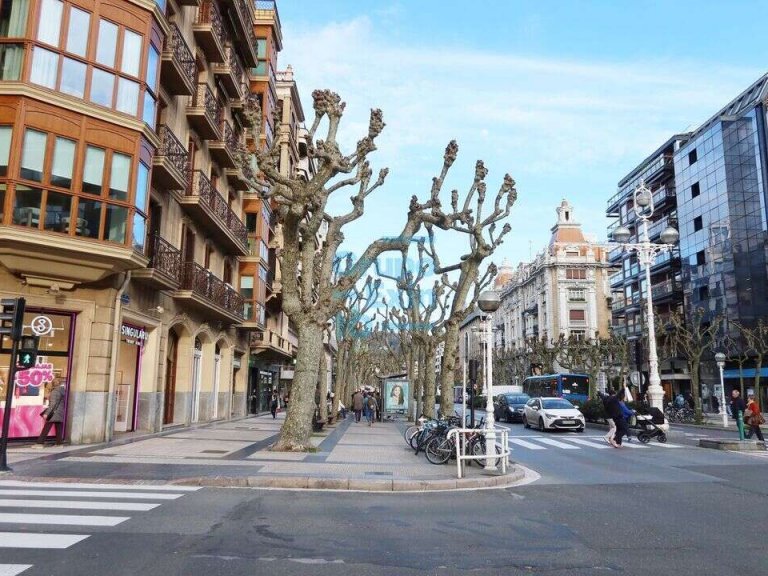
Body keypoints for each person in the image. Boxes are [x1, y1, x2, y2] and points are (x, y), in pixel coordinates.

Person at [36, 379, 66, 447]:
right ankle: (59, 443)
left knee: (46, 427)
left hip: (53, 413)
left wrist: (46, 413)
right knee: (58, 428)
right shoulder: (63, 391)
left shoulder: (54, 392)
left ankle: (40, 443)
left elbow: (52, 404)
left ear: (53, 384)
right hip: (60, 412)